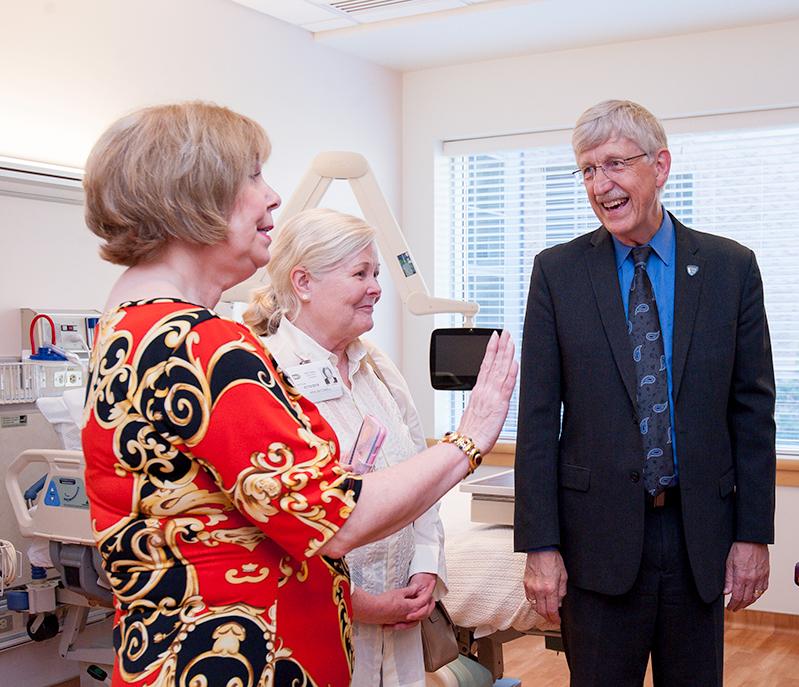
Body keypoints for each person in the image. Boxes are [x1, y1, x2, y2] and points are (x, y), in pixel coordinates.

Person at [81, 101, 517, 687]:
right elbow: (337, 521)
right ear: (194, 197)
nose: (273, 197)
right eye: (253, 176)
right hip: (240, 662)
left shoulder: (125, 327)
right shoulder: (204, 347)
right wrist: (471, 436)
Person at [513, 99, 777, 686]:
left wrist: (752, 533)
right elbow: (536, 420)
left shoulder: (731, 268)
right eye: (586, 170)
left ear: (659, 166)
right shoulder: (557, 273)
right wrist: (540, 545)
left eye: (613, 165)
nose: (599, 185)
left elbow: (752, 412)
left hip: (698, 539)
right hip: (597, 543)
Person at [244, 208, 445, 687]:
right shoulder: (262, 374)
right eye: (361, 273)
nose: (376, 286)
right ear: (304, 282)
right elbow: (271, 527)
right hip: (319, 630)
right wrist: (361, 604)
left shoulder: (377, 368)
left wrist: (425, 570)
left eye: (376, 273)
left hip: (402, 624)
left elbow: (423, 481)